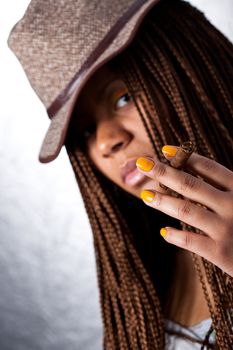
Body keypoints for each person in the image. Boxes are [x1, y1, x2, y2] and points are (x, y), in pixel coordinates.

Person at [8, 0, 233, 348]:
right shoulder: (144, 285)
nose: (105, 143)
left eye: (122, 98)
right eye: (85, 131)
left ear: (188, 67)